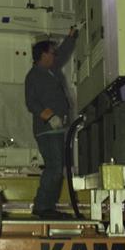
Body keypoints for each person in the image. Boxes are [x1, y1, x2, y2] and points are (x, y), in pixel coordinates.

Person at [24, 28, 78, 218]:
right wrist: (50, 117)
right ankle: (42, 206)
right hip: (47, 130)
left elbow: (62, 53)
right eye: (51, 53)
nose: (55, 55)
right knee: (54, 168)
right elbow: (31, 103)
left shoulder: (50, 71)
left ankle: (47, 207)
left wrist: (70, 37)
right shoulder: (34, 75)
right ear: (43, 55)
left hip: (56, 129)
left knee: (56, 167)